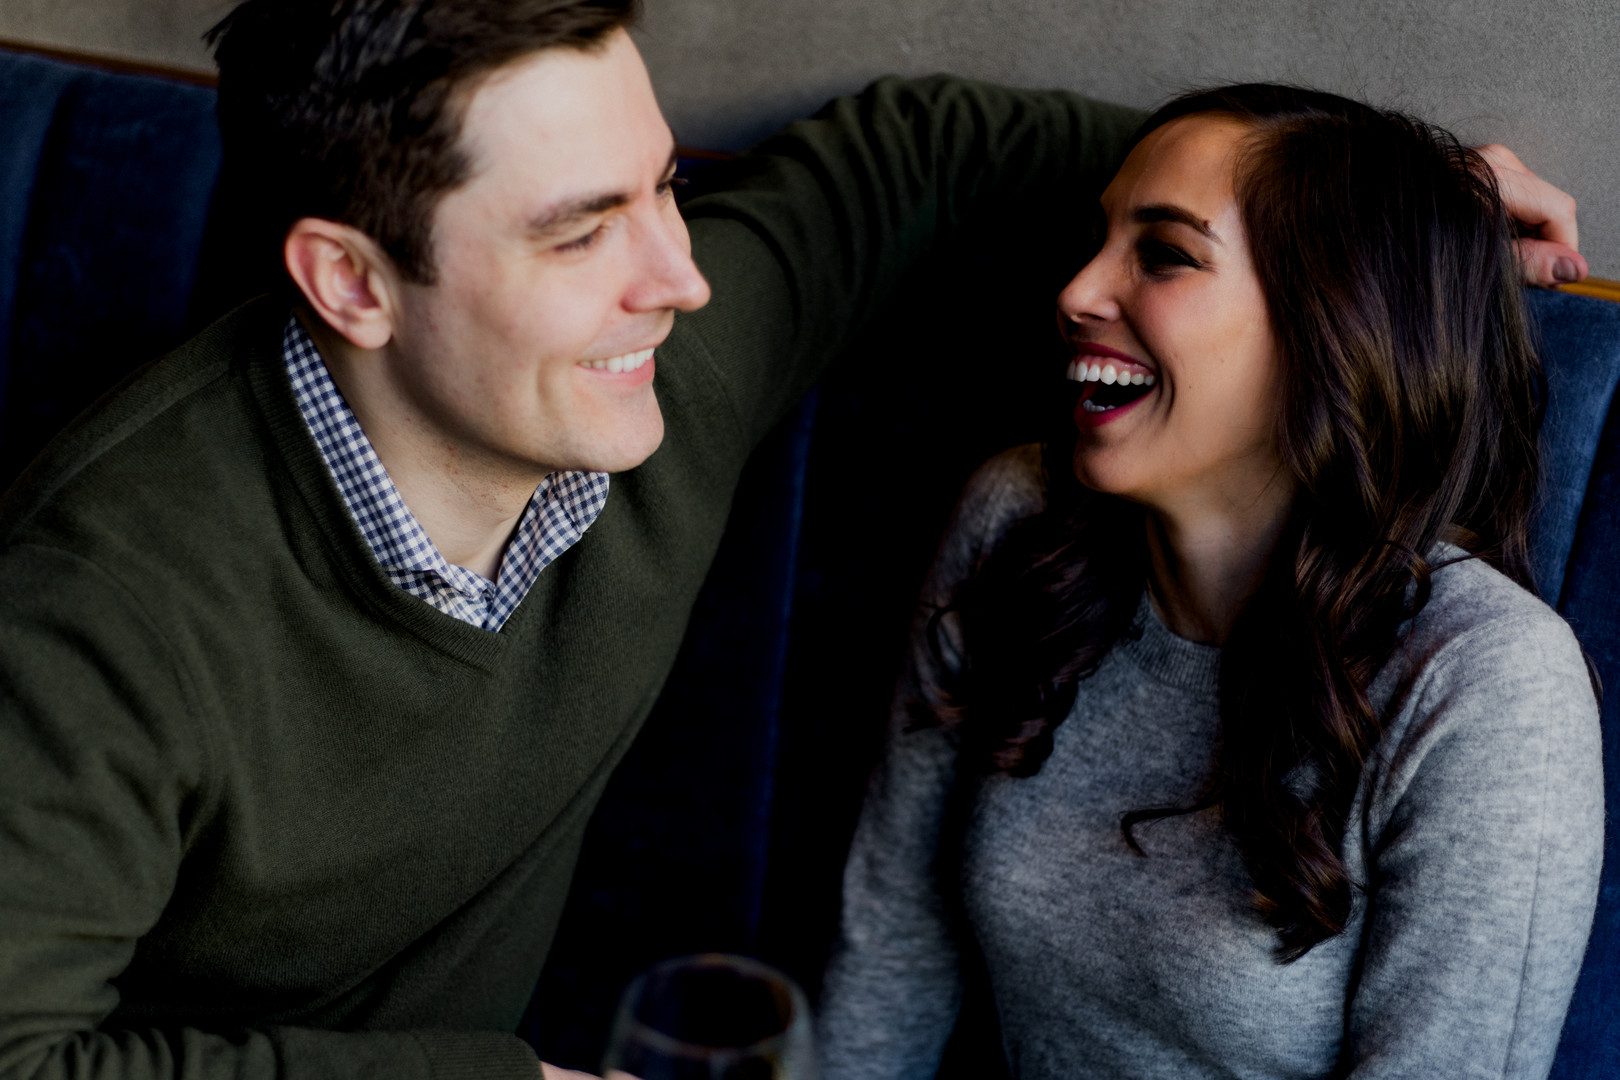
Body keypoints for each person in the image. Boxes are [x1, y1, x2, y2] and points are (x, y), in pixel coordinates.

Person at [0, 0, 1583, 1072]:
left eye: (666, 191)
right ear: (351, 283)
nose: (677, 281)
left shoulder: (648, 377)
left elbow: (925, 150)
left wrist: (1387, 214)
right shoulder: (97, 602)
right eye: (581, 230)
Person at [815, 85, 1603, 1080]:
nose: (1076, 292)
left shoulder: (1486, 682)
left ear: (1339, 321)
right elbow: (891, 942)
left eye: (1166, 254)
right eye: (1101, 238)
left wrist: (1407, 215)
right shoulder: (1019, 518)